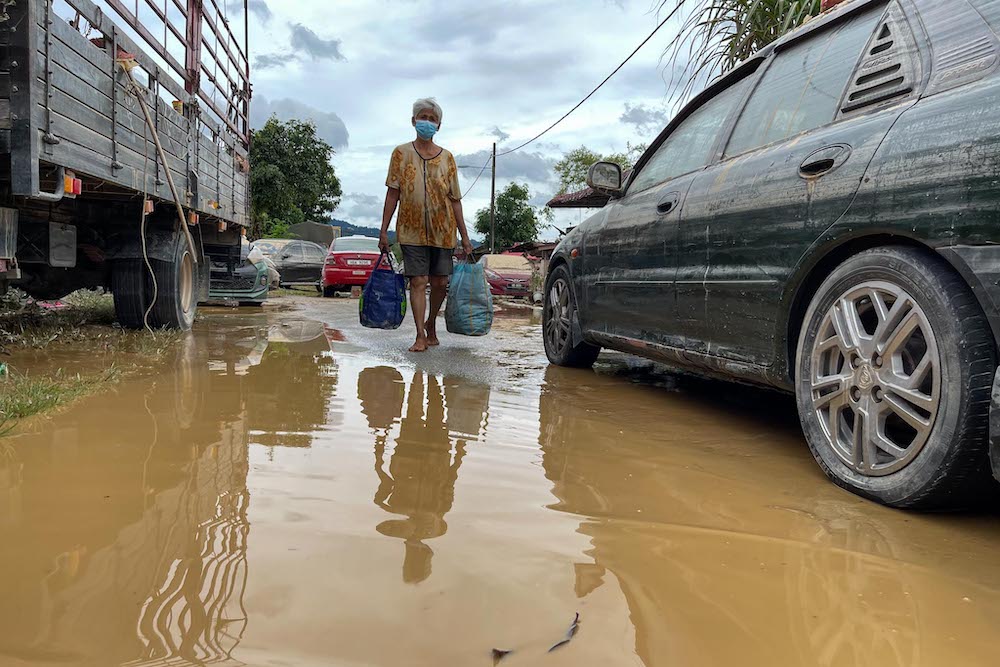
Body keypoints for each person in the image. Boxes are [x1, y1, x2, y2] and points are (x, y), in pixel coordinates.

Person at [379, 98, 474, 352]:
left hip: (443, 232)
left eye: (432, 119)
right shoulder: (401, 153)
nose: (427, 122)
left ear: (439, 126)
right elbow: (392, 193)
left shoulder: (448, 159)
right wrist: (383, 230)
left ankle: (432, 323)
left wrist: (464, 237)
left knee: (440, 282)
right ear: (413, 121)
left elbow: (455, 200)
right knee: (418, 281)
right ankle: (420, 334)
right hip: (410, 231)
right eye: (423, 117)